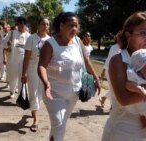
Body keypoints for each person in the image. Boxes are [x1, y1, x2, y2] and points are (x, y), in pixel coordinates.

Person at [101, 11, 146, 141]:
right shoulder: (119, 60)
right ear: (128, 35)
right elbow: (124, 99)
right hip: (122, 132)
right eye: (144, 33)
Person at [38, 12, 101, 141]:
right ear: (61, 25)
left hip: (73, 92)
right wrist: (46, 83)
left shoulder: (78, 42)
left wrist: (96, 78)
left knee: (60, 125)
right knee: (59, 123)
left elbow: (87, 62)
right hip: (53, 92)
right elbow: (42, 66)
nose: (74, 29)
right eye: (71, 25)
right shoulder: (50, 44)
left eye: (76, 26)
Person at [21, 17, 50, 132]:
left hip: (46, 71)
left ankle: (34, 110)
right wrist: (24, 74)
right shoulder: (31, 39)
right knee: (34, 93)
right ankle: (35, 120)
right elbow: (26, 58)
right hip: (33, 70)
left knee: (42, 94)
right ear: (38, 25)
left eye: (47, 24)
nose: (46, 26)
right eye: (43, 24)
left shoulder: (50, 40)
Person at [4, 17, 30, 98]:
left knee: (21, 77)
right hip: (13, 59)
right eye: (21, 23)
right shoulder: (12, 33)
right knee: (13, 77)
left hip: (23, 60)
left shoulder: (29, 36)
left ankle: (20, 96)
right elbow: (3, 43)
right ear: (17, 24)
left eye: (24, 24)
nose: (23, 25)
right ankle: (12, 91)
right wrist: (7, 44)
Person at [99, 34, 121, 109]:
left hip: (118, 72)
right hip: (110, 71)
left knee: (115, 89)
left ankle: (104, 98)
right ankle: (112, 106)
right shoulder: (114, 47)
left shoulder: (125, 48)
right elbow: (108, 59)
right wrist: (103, 72)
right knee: (115, 89)